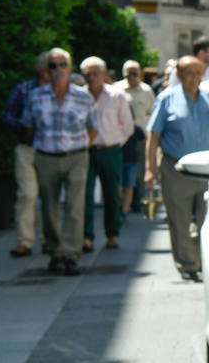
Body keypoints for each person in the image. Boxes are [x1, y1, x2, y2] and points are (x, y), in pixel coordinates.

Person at [146, 56, 209, 282]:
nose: (194, 78)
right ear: (179, 75)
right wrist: (150, 169)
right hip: (177, 169)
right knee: (179, 221)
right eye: (189, 73)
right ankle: (188, 264)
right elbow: (153, 137)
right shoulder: (166, 99)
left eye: (198, 73)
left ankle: (204, 260)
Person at [20, 49, 96, 276]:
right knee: (48, 207)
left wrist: (82, 147)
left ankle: (71, 255)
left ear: (70, 68)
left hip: (76, 156)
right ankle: (55, 252)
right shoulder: (36, 96)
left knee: (74, 207)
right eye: (53, 65)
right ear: (47, 70)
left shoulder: (83, 96)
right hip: (46, 157)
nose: (58, 70)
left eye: (63, 65)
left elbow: (93, 127)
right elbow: (28, 126)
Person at [79, 57, 133, 251]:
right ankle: (87, 236)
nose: (91, 77)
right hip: (85, 151)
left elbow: (128, 126)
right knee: (84, 195)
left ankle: (112, 234)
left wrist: (115, 142)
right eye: (87, 74)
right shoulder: (79, 95)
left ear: (103, 74)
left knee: (111, 194)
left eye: (95, 73)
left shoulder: (116, 95)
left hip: (110, 150)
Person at [1, 51, 50, 257]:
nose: (51, 70)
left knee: (50, 197)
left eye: (56, 65)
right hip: (27, 148)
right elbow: (7, 116)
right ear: (38, 68)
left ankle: (49, 240)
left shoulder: (63, 91)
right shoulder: (24, 89)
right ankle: (24, 242)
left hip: (51, 150)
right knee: (27, 195)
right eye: (48, 65)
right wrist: (24, 125)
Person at [119, 59, 156, 217]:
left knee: (139, 170)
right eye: (128, 73)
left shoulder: (146, 91)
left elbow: (152, 112)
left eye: (135, 73)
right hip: (120, 137)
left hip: (140, 136)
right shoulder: (117, 89)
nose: (132, 76)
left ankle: (137, 201)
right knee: (122, 172)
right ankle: (122, 204)